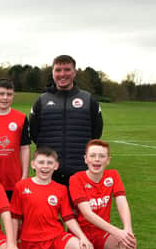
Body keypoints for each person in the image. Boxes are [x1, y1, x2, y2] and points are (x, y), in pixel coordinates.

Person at [10, 147, 94, 249]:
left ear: (56, 166)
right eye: (41, 162)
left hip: (56, 237)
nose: (45, 166)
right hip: (32, 242)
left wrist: (82, 237)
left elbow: (68, 218)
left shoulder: (61, 189)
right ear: (33, 164)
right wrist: (12, 243)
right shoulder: (21, 186)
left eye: (49, 163)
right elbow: (15, 218)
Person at [69, 139, 137, 249]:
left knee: (129, 242)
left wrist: (127, 230)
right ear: (85, 159)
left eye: (101, 156)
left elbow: (121, 202)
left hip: (102, 234)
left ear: (108, 160)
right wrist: (117, 231)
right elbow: (88, 213)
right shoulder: (76, 179)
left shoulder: (113, 176)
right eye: (92, 156)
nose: (96, 160)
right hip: (81, 235)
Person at [29, 55, 103, 186]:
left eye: (67, 69)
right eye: (58, 70)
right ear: (52, 73)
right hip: (48, 172)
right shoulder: (41, 101)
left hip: (80, 170)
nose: (62, 74)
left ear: (74, 72)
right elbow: (34, 133)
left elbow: (96, 133)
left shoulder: (88, 100)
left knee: (79, 207)